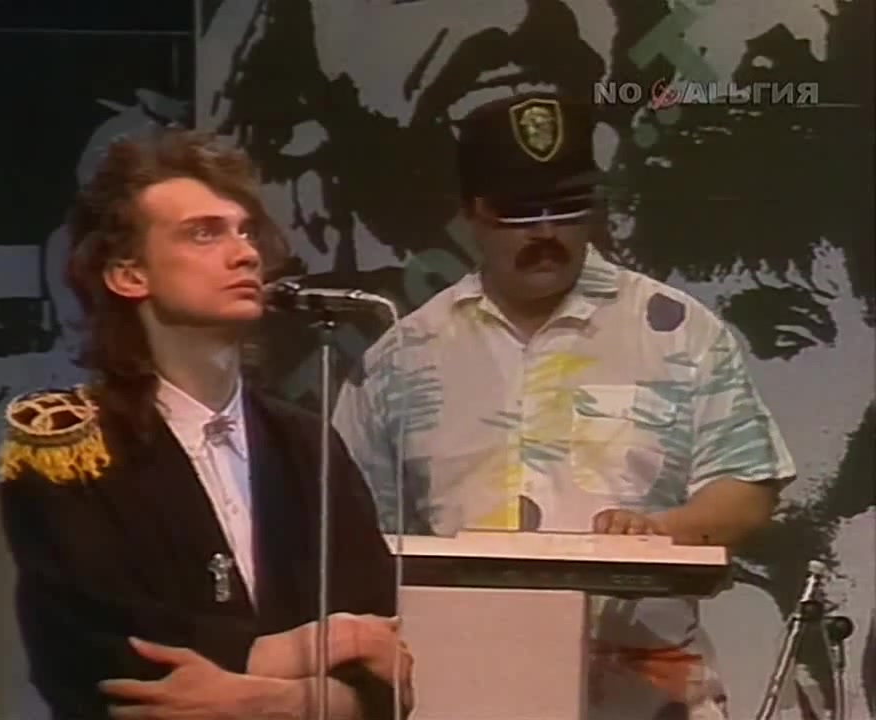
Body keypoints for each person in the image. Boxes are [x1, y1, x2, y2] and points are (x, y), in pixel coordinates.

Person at [332, 92, 796, 720]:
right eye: (521, 213)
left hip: (649, 699)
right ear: (472, 212)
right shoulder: (403, 356)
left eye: (568, 208)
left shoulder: (678, 331)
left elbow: (747, 489)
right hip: (462, 691)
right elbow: (353, 533)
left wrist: (661, 531)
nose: (547, 233)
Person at [0, 128, 413, 720]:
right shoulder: (70, 452)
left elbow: (384, 669)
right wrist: (308, 648)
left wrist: (277, 703)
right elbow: (97, 656)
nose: (245, 254)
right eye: (204, 233)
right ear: (128, 274)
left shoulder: (307, 445)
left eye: (245, 231)